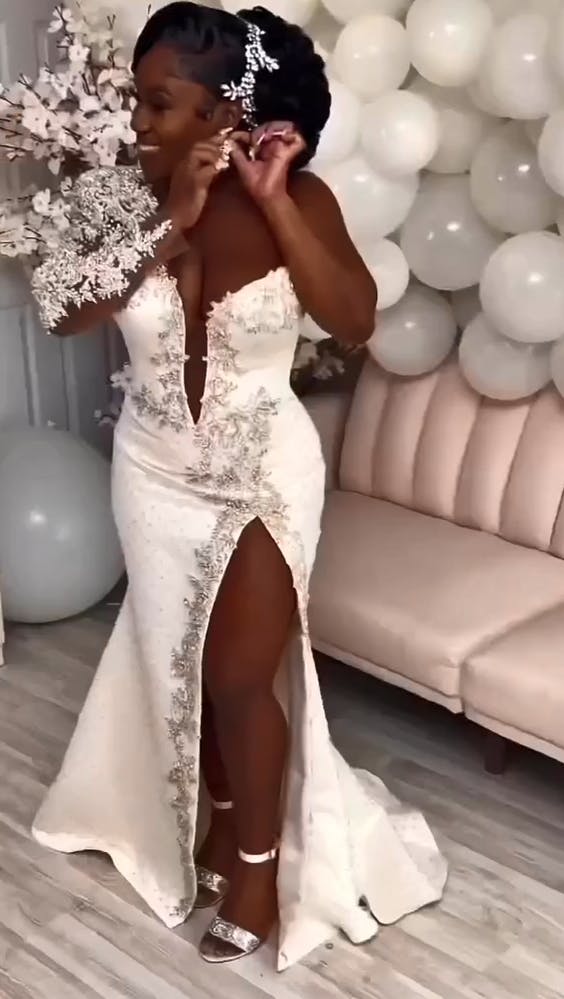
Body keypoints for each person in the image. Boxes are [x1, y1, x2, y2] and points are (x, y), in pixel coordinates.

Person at [30, 2, 446, 970]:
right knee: (180, 662)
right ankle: (221, 821)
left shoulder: (300, 195)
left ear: (224, 112)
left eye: (160, 102)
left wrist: (275, 203)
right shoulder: (118, 195)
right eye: (137, 98)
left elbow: (353, 322)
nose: (138, 120)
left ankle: (259, 869)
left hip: (261, 469)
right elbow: (60, 313)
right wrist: (164, 224)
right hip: (152, 470)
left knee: (238, 676)